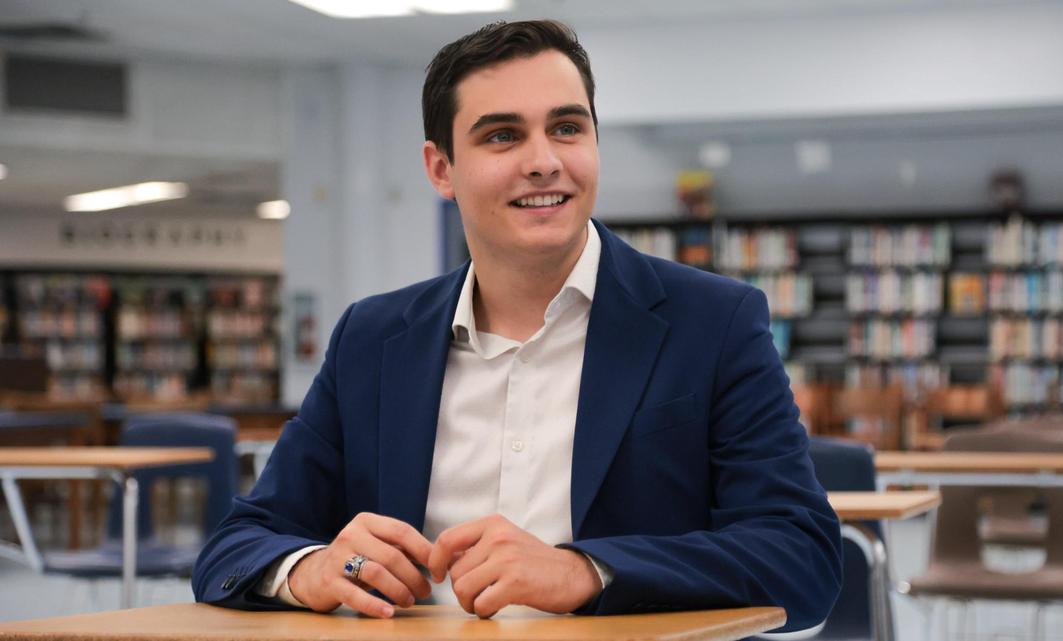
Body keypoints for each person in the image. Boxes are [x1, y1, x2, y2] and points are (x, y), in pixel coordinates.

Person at [192, 19, 841, 631]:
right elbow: (237, 544)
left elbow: (801, 555)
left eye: (566, 128)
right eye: (502, 135)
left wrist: (587, 570)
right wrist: (312, 569)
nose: (543, 160)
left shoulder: (714, 322)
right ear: (440, 168)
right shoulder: (372, 338)